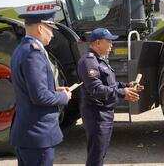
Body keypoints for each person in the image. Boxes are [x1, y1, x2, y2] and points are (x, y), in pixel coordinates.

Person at [10, 11, 72, 166]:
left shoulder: (22, 49)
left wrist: (54, 89)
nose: (52, 34)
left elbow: (29, 88)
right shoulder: (33, 54)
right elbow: (40, 96)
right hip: (37, 135)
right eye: (50, 29)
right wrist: (64, 97)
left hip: (29, 134)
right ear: (40, 28)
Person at [77, 28, 143, 166]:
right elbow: (96, 89)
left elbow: (110, 83)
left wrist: (126, 85)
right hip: (96, 115)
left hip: (104, 113)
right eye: (109, 41)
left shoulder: (100, 60)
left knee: (100, 154)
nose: (112, 44)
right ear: (97, 42)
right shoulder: (89, 61)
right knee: (96, 156)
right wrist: (122, 92)